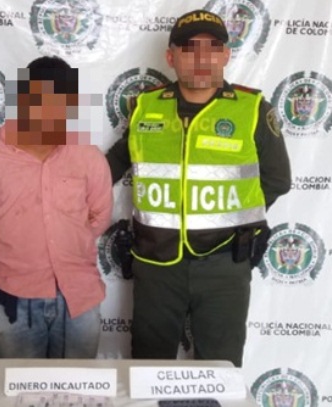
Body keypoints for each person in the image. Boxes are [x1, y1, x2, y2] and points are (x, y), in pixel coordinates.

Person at [106, 9, 291, 367]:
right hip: (156, 263)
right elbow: (116, 161)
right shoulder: (146, 106)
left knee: (220, 370)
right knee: (147, 370)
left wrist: (233, 217)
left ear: (226, 55)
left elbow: (277, 179)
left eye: (212, 48)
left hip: (224, 264)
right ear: (171, 57)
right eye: (190, 49)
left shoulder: (252, 109)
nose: (202, 59)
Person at [0, 57, 113, 358]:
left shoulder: (88, 156)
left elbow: (99, 216)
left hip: (79, 296)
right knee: (18, 384)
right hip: (12, 296)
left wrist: (67, 243)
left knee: (79, 386)